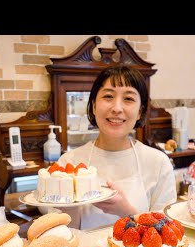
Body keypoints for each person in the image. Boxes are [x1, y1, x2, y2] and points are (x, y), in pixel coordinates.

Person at [57, 64, 177, 230]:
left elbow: (166, 232)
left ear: (140, 112)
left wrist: (126, 211)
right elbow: (62, 235)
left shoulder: (158, 163)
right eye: (108, 96)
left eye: (128, 99)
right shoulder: (68, 163)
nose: (117, 108)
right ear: (93, 106)